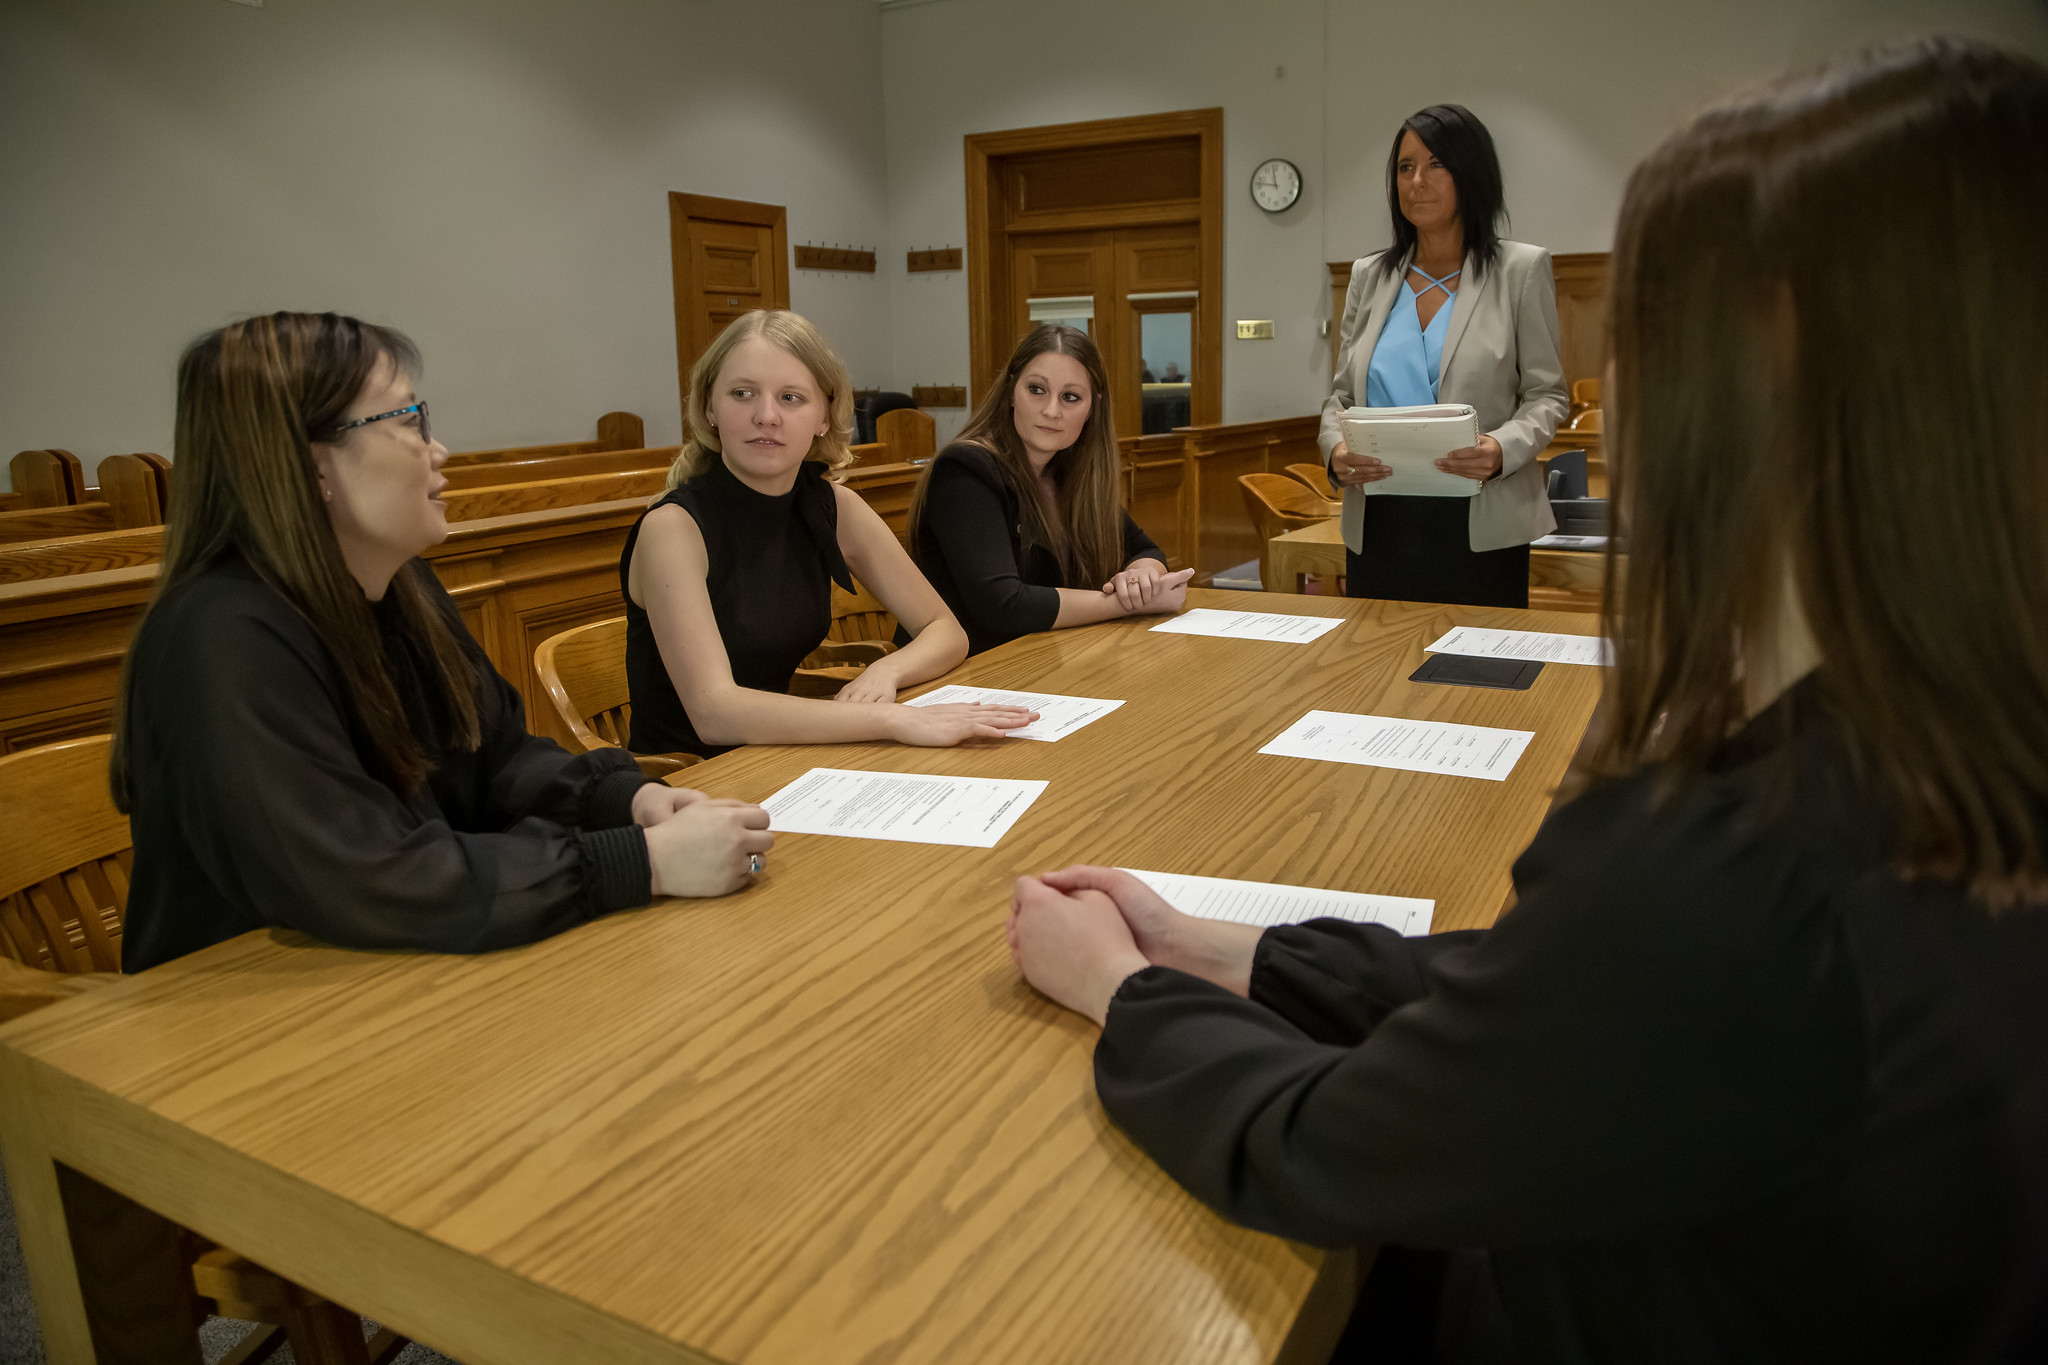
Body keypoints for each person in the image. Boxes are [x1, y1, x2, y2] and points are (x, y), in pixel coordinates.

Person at [1007, 37, 2048, 1364]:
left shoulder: (1732, 857)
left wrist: (1120, 988)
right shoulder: (1931, 762)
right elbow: (1546, 999)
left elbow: (1329, 1146)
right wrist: (1232, 948)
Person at [114, 312, 774, 973]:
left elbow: (498, 760)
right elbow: (366, 875)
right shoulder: (221, 637)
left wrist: (628, 800)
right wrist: (646, 861)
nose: (439, 450)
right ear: (312, 466)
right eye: (407, 421)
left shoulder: (400, 584)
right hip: (249, 1012)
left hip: (393, 971)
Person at [622, 310, 1036, 757]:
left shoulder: (835, 506)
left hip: (784, 755)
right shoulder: (672, 528)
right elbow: (715, 714)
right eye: (742, 394)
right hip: (684, 784)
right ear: (709, 408)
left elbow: (946, 631)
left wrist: (887, 673)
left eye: (791, 397)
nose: (766, 416)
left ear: (824, 414)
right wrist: (890, 718)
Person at [1321, 104, 1568, 608]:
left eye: (1436, 164)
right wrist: (1334, 453)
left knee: (1478, 680)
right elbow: (1341, 396)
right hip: (1381, 520)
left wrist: (1501, 449)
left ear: (1470, 173)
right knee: (1376, 675)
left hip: (1482, 519)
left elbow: (1547, 394)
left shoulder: (1520, 270)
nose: (1417, 181)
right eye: (1405, 167)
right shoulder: (1369, 276)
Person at [904, 324, 1194, 656]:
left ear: (1091, 408)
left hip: (1040, 661)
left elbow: (1145, 550)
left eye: (1070, 397)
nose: (1052, 410)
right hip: (961, 675)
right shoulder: (966, 469)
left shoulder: (1069, 473)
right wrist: (1126, 604)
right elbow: (1002, 605)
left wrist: (1140, 578)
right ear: (1012, 390)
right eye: (1037, 390)